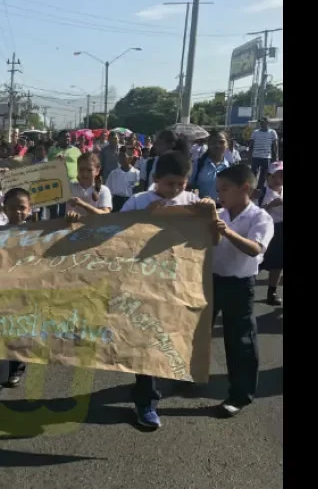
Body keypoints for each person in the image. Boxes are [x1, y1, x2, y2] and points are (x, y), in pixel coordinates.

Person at [118, 150, 214, 429]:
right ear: (156, 179)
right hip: (144, 283)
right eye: (169, 184)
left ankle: (176, 377)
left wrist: (209, 210)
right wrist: (142, 218)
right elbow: (117, 235)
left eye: (180, 184)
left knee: (175, 334)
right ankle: (145, 400)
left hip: (180, 283)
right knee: (144, 340)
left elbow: (210, 237)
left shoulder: (193, 203)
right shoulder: (139, 201)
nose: (174, 190)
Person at [213, 164, 274, 417]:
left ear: (244, 188)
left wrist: (226, 232)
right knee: (195, 330)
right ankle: (188, 375)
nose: (220, 194)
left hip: (240, 285)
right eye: (218, 190)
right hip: (212, 280)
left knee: (240, 340)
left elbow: (255, 249)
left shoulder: (260, 217)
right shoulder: (219, 213)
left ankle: (240, 395)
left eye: (225, 189)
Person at [0, 187, 31, 400]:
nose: (18, 213)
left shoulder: (39, 233)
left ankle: (17, 367)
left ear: (30, 210)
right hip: (1, 291)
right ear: (5, 210)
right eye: (13, 208)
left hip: (25, 292)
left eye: (22, 208)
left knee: (19, 333)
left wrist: (69, 220)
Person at [258, 161, 283, 306]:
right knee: (258, 261)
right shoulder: (262, 192)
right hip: (265, 228)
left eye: (282, 175)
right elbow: (256, 213)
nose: (279, 179)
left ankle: (272, 292)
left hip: (280, 229)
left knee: (278, 264)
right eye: (276, 175)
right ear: (269, 177)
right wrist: (270, 205)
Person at [189, 131, 231, 207]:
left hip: (224, 209)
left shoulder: (230, 167)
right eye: (214, 142)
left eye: (221, 142)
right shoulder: (198, 164)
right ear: (209, 144)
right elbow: (188, 185)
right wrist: (194, 190)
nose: (217, 145)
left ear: (227, 144)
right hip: (201, 208)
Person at [66, 152, 112, 217]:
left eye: (89, 170)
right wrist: (58, 164)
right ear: (77, 169)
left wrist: (82, 204)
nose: (85, 174)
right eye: (81, 170)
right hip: (72, 226)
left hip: (96, 227)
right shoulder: (69, 187)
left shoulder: (104, 190)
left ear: (97, 171)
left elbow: (105, 214)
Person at [106, 146, 141, 212]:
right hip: (116, 202)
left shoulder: (137, 173)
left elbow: (137, 187)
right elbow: (108, 190)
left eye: (123, 156)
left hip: (130, 201)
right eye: (120, 156)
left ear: (130, 158)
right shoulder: (113, 173)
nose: (121, 159)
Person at [249, 117, 279, 190]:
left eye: (263, 122)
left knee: (264, 175)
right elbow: (251, 145)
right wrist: (249, 156)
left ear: (267, 123)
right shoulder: (255, 132)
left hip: (266, 157)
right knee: (253, 173)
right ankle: (252, 188)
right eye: (260, 122)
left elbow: (275, 146)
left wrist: (276, 157)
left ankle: (260, 189)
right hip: (255, 156)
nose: (261, 124)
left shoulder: (272, 132)